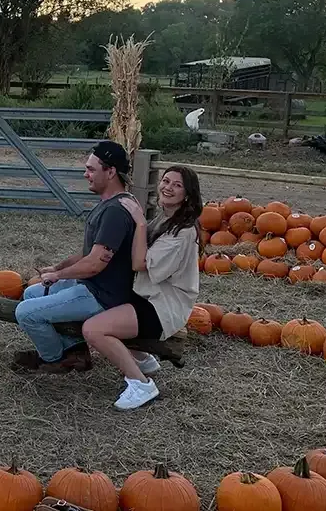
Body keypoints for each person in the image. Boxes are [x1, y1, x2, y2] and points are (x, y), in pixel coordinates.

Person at [82, 165, 202, 411]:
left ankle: (141, 384)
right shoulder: (164, 219)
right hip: (145, 296)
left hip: (162, 307)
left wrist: (138, 223)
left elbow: (139, 262)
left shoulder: (183, 232)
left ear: (187, 195)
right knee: (99, 304)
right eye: (166, 181)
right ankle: (142, 358)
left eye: (177, 185)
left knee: (93, 330)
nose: (168, 187)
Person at [13, 141, 136, 373]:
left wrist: (59, 275)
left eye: (91, 169)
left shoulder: (115, 212)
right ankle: (76, 352)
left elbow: (94, 263)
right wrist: (57, 267)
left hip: (103, 296)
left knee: (25, 313)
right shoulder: (110, 204)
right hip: (91, 285)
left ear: (110, 172)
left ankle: (55, 359)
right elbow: (89, 252)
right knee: (31, 292)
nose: (85, 174)